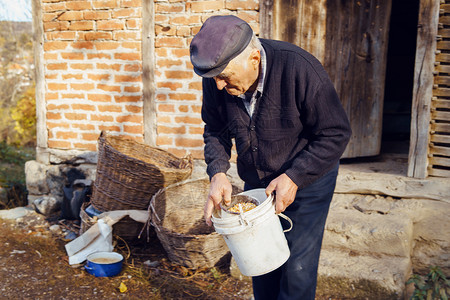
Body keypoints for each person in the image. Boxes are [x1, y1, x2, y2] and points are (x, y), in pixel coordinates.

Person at [189, 15, 352, 300]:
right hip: (259, 183)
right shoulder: (217, 76)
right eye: (213, 78)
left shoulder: (300, 68)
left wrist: (294, 177)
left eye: (224, 77)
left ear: (254, 59)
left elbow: (335, 133)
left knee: (297, 268)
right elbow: (215, 129)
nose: (217, 86)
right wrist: (217, 173)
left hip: (307, 179)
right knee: (260, 260)